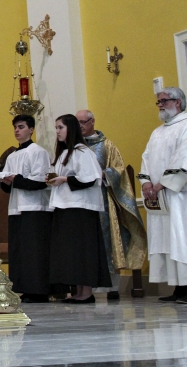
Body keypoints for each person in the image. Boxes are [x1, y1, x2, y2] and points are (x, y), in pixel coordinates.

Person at [139, 87, 187, 304]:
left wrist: (162, 183)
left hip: (184, 198)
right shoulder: (158, 132)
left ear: (178, 102)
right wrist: (146, 183)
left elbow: (186, 159)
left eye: (164, 101)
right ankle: (179, 287)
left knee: (184, 238)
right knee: (168, 240)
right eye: (158, 101)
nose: (160, 105)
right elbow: (147, 158)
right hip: (162, 197)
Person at [76, 109, 147, 300]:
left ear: (92, 122)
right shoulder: (74, 147)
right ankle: (84, 286)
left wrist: (104, 174)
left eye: (83, 122)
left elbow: (120, 170)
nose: (80, 126)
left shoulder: (106, 146)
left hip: (103, 200)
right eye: (77, 122)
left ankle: (111, 287)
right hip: (80, 201)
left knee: (107, 241)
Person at [47, 114, 111, 303]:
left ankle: (87, 292)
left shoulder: (82, 152)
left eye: (60, 127)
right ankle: (79, 290)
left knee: (83, 250)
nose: (57, 131)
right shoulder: (65, 153)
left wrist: (65, 179)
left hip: (80, 208)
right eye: (56, 128)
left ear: (71, 129)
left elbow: (91, 178)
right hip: (66, 205)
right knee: (73, 251)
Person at [0, 114, 53, 303]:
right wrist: (6, 182)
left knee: (34, 251)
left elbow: (41, 181)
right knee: (20, 251)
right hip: (16, 207)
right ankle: (25, 288)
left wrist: (16, 179)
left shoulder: (38, 152)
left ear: (31, 129)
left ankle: (39, 290)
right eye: (15, 127)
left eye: (21, 127)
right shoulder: (12, 156)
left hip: (35, 208)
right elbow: (7, 185)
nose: (16, 130)